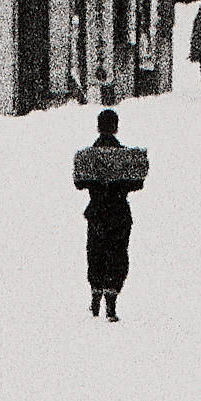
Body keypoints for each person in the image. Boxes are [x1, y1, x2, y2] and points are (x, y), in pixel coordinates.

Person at [75, 109, 143, 322]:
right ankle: (111, 303)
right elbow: (137, 183)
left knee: (96, 253)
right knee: (117, 254)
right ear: (116, 127)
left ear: (98, 127)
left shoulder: (87, 156)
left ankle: (95, 296)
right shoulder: (126, 156)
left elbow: (79, 183)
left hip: (97, 211)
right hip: (119, 211)